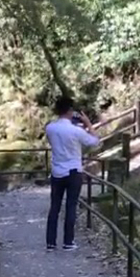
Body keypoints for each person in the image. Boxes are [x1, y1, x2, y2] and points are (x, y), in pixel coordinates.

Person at [44, 96, 100, 251]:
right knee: (71, 206)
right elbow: (95, 142)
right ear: (70, 111)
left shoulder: (50, 128)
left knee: (54, 207)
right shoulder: (76, 131)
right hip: (73, 171)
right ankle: (68, 242)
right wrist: (88, 124)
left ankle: (50, 242)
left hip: (57, 171)